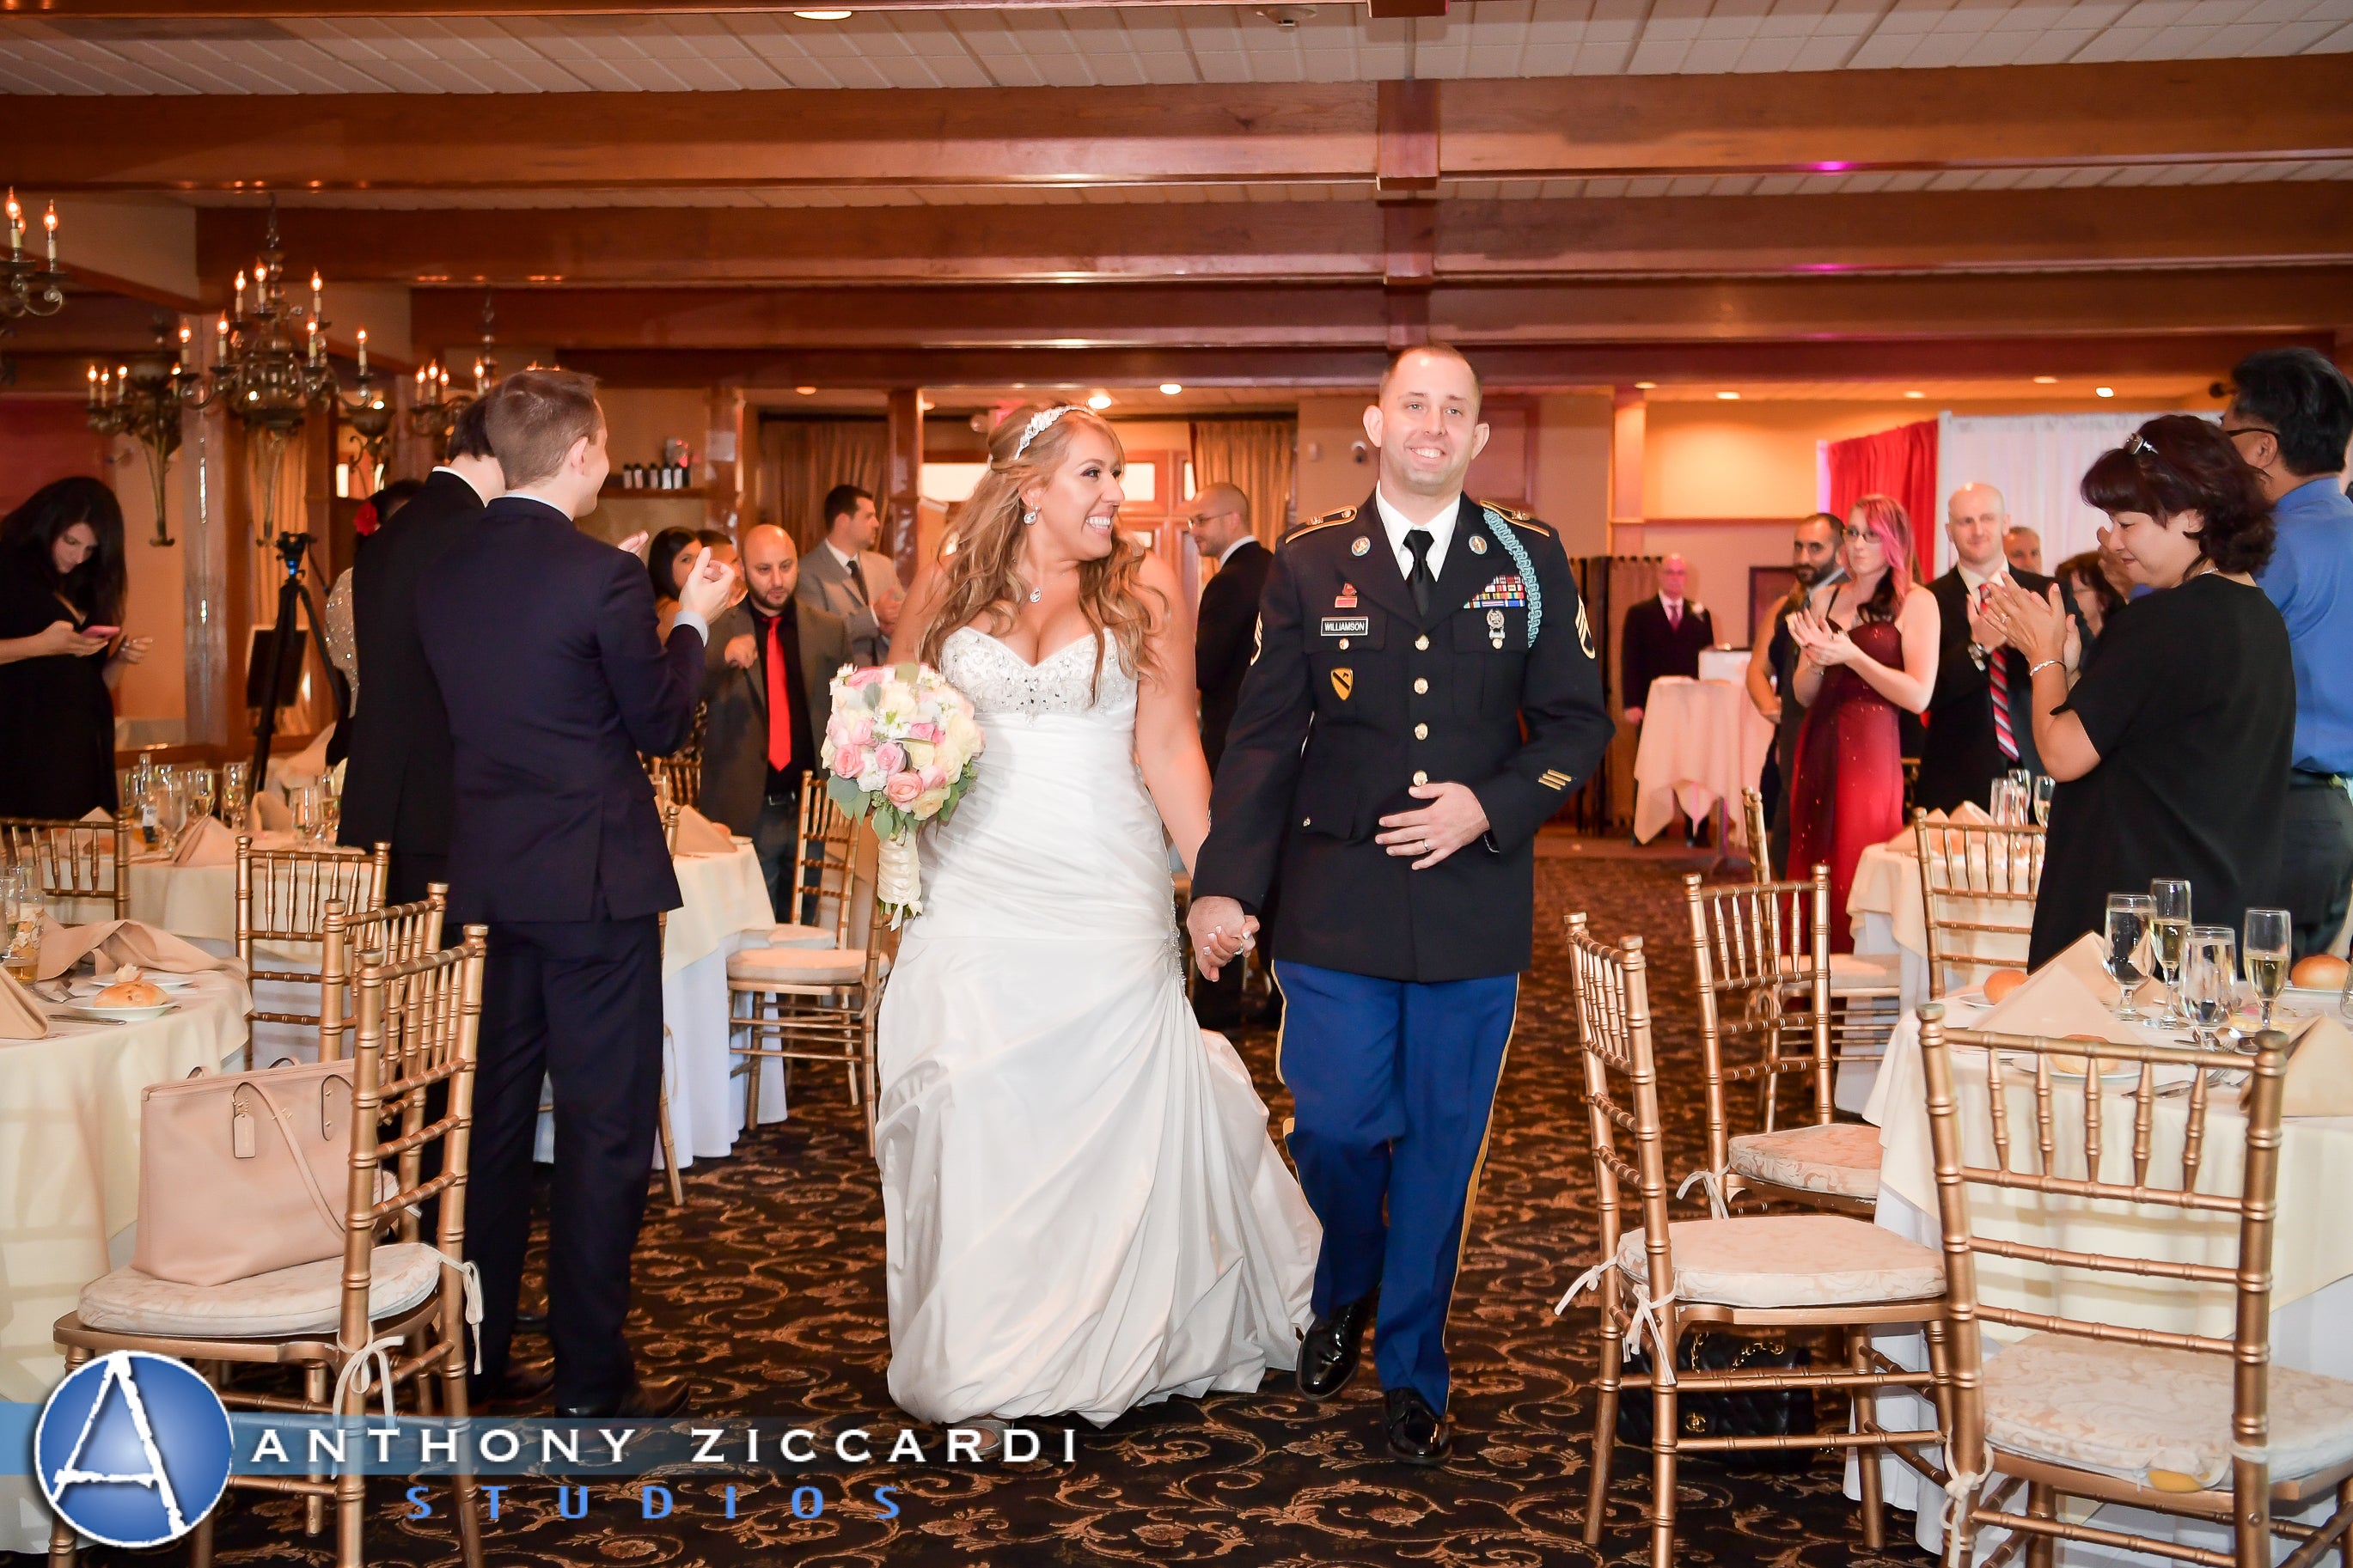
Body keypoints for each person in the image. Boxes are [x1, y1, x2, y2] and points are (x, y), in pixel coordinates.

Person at [1189, 345, 1614, 1465]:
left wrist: (1492, 803)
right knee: (1333, 1123)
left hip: (1473, 902)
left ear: (1477, 439)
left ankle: (1412, 1368)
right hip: (1336, 901)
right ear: (1373, 424)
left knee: (1437, 1147)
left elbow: (1578, 725)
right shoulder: (1308, 560)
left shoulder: (1527, 559)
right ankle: (1343, 1279)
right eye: (1412, 403)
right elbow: (1264, 734)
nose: (1432, 424)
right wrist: (1225, 880)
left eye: (1454, 410)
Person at [874, 401, 1318, 1441]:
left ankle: (1091, 1334)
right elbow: (895, 719)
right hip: (974, 882)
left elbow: (1167, 750)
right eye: (1093, 475)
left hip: (1100, 886)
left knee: (1089, 1109)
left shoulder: (1146, 591)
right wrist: (891, 773)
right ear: (1029, 490)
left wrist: (1218, 885)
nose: (1116, 495)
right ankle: (985, 1364)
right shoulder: (946, 589)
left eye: (1115, 475)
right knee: (971, 1103)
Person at [420, 369, 732, 1420]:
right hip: (593, 889)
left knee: (495, 1131)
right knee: (602, 1132)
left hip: (488, 887)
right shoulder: (600, 574)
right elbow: (654, 724)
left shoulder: (442, 570)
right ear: (585, 454)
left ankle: (479, 1355)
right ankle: (592, 1375)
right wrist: (688, 622)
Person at [1986, 416, 2292, 969]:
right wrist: (2076, 671)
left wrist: (2044, 656)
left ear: (2196, 514)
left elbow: (2061, 752)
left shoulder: (2167, 619)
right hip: (2218, 903)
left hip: (2141, 920)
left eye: (2128, 523)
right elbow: (2145, 740)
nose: (2114, 542)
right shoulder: (2258, 615)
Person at [339, 407, 503, 902]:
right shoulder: (477, 534)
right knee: (449, 978)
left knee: (390, 976)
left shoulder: (400, 530)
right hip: (443, 808)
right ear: (504, 448)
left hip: (382, 796)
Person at [2224, 347, 2353, 960]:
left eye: (2227, 435)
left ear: (2261, 447)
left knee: (2248, 1020)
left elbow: (2202, 666)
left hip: (2271, 810)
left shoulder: (2270, 547)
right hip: (2329, 814)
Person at [1784, 494, 1940, 951]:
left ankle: (1861, 996)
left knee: (1858, 861)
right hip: (1819, 742)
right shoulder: (1828, 596)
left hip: (1872, 750)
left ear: (1894, 540)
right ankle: (1814, 990)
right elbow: (1801, 692)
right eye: (1852, 533)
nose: (1857, 544)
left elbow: (1918, 694)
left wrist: (1852, 656)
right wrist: (1815, 661)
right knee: (1814, 863)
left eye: (1870, 534)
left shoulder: (1917, 601)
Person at [697, 522, 849, 918]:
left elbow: (847, 713)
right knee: (747, 927)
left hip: (810, 805)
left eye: (787, 566)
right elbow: (681, 690)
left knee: (805, 924)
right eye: (764, 570)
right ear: (743, 572)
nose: (778, 580)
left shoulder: (829, 630)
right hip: (747, 806)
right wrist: (721, 658)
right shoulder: (717, 629)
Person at [1914, 482, 2067, 814]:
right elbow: (1924, 694)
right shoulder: (1926, 600)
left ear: (2005, 523)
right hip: (1955, 776)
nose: (1978, 530)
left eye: (1987, 518)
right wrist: (1978, 647)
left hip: (2043, 771)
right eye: (1966, 521)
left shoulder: (2048, 592)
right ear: (1949, 531)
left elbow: (2083, 669)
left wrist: (2034, 646)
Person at [1184, 480, 1276, 1030]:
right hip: (1276, 748)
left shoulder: (1231, 583)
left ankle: (1218, 1002)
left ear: (1233, 517)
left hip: (1231, 745)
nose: (1195, 531)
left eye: (1201, 520)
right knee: (1271, 872)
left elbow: (1206, 668)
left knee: (1225, 866)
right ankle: (1279, 997)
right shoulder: (1276, 568)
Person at [0, 479, 148, 819]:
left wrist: (121, 658)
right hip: (23, 749)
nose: (78, 557)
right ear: (47, 524)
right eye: (71, 541)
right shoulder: (8, 572)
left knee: (84, 861)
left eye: (90, 549)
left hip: (82, 753)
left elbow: (93, 687)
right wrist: (41, 645)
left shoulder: (85, 584)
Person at [1745, 512, 1843, 875]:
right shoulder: (1785, 606)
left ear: (1840, 550)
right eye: (1798, 546)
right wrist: (1772, 708)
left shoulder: (1850, 601)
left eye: (1815, 548)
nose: (1803, 557)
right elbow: (1757, 669)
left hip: (1834, 739)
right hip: (1789, 737)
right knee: (1786, 839)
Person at [798, 483, 906, 668]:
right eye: (869, 517)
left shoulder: (884, 566)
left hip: (888, 685)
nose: (877, 523)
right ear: (843, 521)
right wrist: (873, 616)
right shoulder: (807, 571)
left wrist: (890, 632)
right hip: (839, 688)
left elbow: (905, 622)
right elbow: (817, 633)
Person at [1618, 552, 1713, 728]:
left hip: (1690, 704)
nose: (1675, 578)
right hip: (1651, 702)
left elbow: (1708, 660)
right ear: (1660, 576)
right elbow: (1630, 661)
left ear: (1686, 578)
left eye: (1680, 573)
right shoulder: (1639, 614)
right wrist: (1631, 703)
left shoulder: (1701, 615)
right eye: (1670, 573)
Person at [2054, 550, 2125, 646]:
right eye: (2064, 591)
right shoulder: (2059, 646)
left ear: (2105, 598)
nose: (2066, 598)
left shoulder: (2120, 646)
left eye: (2075, 592)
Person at [645, 526, 700, 637]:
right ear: (664, 565)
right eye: (686, 560)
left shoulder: (659, 604)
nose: (698, 566)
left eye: (700, 558)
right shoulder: (674, 610)